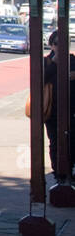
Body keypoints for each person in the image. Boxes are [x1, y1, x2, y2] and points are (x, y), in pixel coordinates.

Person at [41, 30, 75, 182]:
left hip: (71, 108)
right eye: (56, 44)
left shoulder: (72, 60)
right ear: (51, 45)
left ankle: (70, 169)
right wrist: (54, 63)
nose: (59, 47)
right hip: (52, 110)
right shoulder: (46, 62)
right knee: (54, 141)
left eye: (62, 44)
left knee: (72, 141)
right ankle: (57, 172)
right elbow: (40, 80)